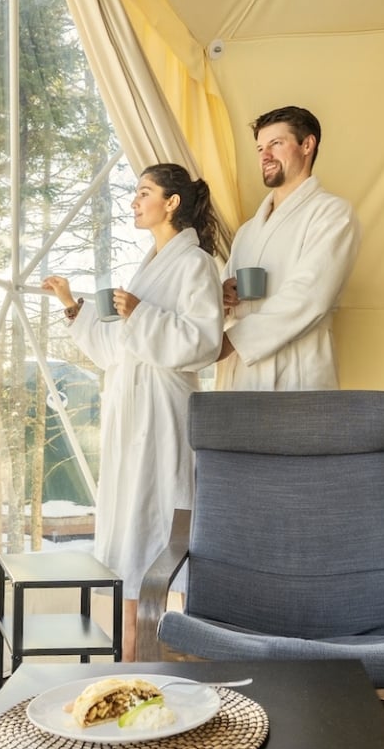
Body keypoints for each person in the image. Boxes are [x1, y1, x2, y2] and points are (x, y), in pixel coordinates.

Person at [40, 163, 225, 661]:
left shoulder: (195, 264)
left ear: (172, 203)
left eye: (144, 192)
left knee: (160, 517)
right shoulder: (149, 267)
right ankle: (128, 649)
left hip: (163, 410)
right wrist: (72, 305)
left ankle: (167, 646)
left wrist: (141, 312)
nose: (133, 201)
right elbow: (117, 351)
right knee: (128, 525)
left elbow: (203, 343)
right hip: (128, 412)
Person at [217, 106, 361, 390]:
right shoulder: (247, 232)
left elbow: (309, 297)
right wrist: (223, 297)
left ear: (307, 145)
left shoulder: (332, 214)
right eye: (260, 149)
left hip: (298, 373)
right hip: (243, 377)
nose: (265, 156)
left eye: (276, 144)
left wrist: (232, 341)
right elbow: (226, 301)